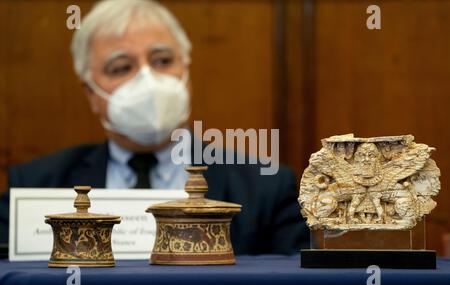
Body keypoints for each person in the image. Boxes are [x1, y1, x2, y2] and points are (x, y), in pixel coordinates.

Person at [0, 0, 309, 254]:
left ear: (186, 71)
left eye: (162, 61)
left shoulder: (265, 186)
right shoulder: (35, 185)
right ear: (91, 93)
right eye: (122, 67)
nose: (148, 80)